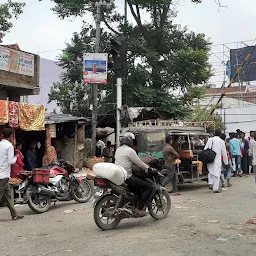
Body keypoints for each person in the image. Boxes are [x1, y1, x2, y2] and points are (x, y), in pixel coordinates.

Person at [115, 132, 152, 216]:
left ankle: (133, 203)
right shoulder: (130, 151)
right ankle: (139, 208)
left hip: (119, 176)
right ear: (129, 140)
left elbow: (126, 162)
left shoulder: (118, 149)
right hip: (127, 177)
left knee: (137, 187)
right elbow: (140, 163)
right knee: (149, 187)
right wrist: (147, 168)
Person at [0, 128, 24, 220]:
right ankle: (14, 215)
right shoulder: (9, 146)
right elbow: (10, 161)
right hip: (3, 174)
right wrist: (15, 157)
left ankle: (14, 214)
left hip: (2, 174)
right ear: (11, 136)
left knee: (7, 195)